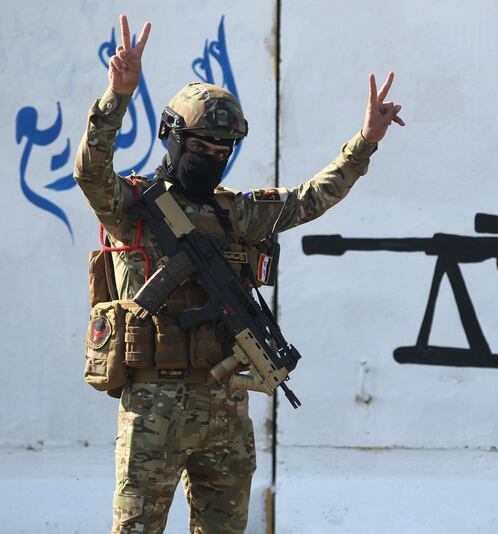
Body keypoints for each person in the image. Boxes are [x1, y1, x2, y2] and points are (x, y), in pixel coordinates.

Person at [74, 15, 403, 533]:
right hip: (153, 409)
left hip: (226, 406)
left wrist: (365, 141)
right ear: (174, 138)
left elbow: (308, 200)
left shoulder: (236, 212)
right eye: (202, 146)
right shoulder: (133, 206)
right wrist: (117, 95)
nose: (213, 157)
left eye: (223, 150)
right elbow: (90, 171)